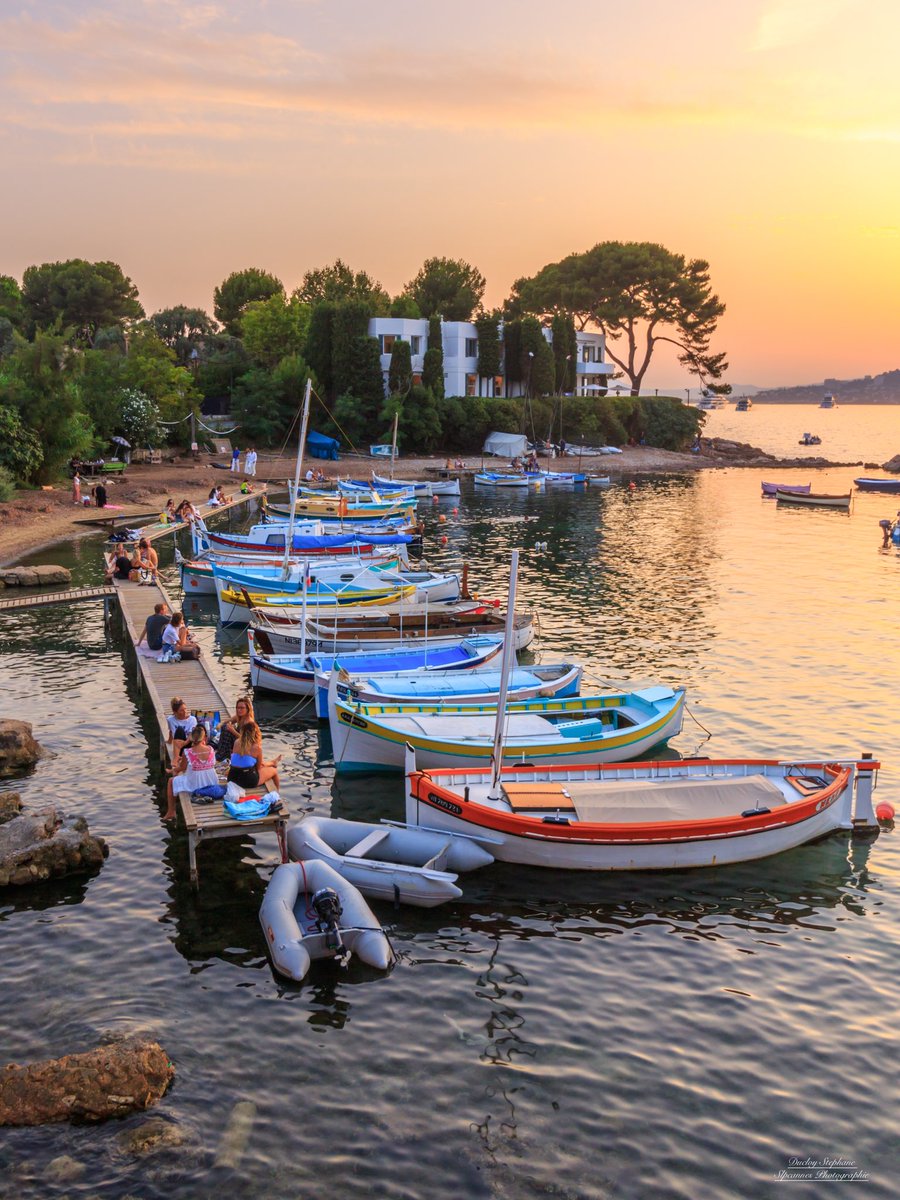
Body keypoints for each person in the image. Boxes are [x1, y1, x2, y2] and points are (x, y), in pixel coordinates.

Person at [165, 726, 219, 822]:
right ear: (204, 738)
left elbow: (182, 768)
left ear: (191, 738)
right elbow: (212, 763)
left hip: (195, 785)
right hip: (211, 782)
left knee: (171, 781)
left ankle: (171, 811)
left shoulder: (188, 752)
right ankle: (171, 812)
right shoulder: (211, 749)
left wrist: (175, 770)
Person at [226, 720, 281, 792]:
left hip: (232, 779)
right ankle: (277, 795)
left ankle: (273, 762)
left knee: (255, 764)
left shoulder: (236, 742)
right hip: (249, 781)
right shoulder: (256, 747)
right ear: (256, 732)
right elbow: (258, 767)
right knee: (274, 771)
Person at [216, 695, 254, 762]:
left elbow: (247, 741)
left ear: (247, 709)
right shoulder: (240, 717)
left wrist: (232, 730)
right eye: (238, 708)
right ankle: (222, 753)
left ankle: (223, 755)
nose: (239, 710)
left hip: (245, 746)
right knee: (225, 727)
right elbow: (227, 721)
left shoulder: (249, 722)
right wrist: (220, 724)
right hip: (237, 742)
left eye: (242, 708)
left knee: (227, 730)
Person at [166, 696, 198, 761]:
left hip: (188, 744)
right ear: (175, 712)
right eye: (181, 710)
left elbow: (191, 734)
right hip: (178, 748)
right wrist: (169, 741)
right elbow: (171, 732)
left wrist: (185, 743)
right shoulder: (170, 720)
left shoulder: (192, 719)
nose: (185, 712)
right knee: (179, 730)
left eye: (185, 709)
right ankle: (176, 758)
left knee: (199, 728)